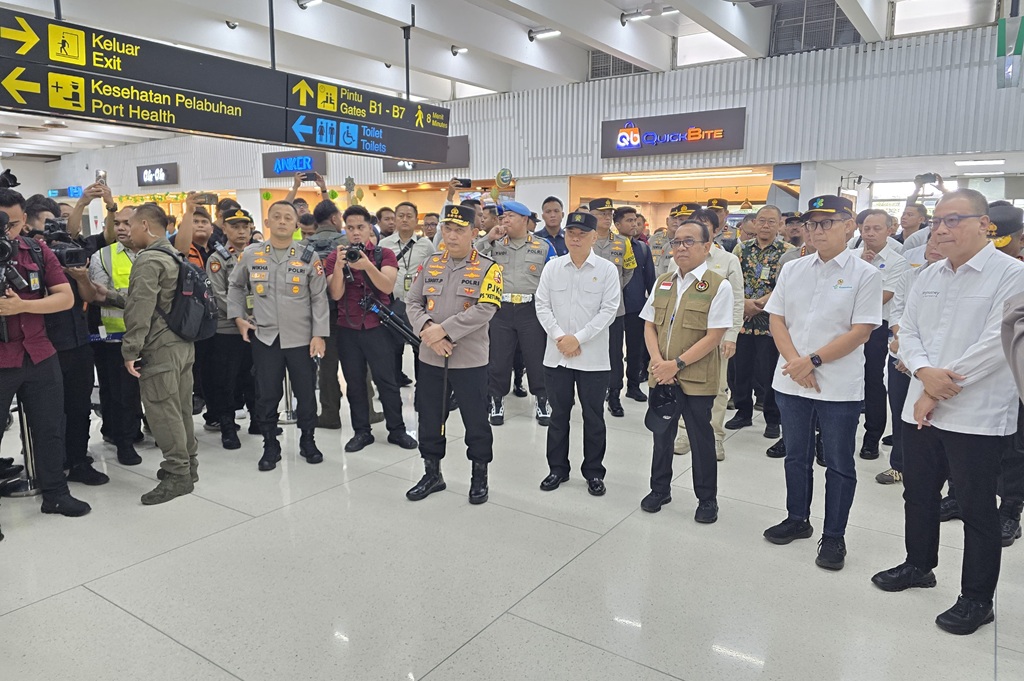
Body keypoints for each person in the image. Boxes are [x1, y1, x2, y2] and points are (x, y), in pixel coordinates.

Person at [872, 189, 1024, 635]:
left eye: (953, 219)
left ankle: (977, 599)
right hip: (920, 404)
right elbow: (909, 329)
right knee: (918, 493)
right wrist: (923, 373)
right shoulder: (930, 274)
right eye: (937, 221)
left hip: (975, 412)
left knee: (977, 507)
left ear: (984, 225)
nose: (940, 229)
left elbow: (998, 343)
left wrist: (935, 389)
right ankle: (919, 565)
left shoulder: (1011, 275)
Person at [762, 195, 881, 571]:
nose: (816, 230)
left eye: (826, 223)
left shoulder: (866, 274)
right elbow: (776, 319)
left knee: (839, 463)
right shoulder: (793, 269)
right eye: (811, 224)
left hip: (838, 386)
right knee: (796, 456)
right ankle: (797, 519)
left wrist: (811, 361)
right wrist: (797, 364)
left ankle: (834, 536)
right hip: (792, 381)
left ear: (849, 226)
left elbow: (861, 332)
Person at [0, 188, 90, 517]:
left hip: (40, 354)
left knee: (50, 428)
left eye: (12, 224)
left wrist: (22, 306)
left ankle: (55, 494)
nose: (7, 232)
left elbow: (65, 297)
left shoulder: (37, 250)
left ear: (24, 220)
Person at [405, 204, 502, 505]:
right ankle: (432, 473)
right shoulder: (430, 263)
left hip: (469, 359)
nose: (452, 235)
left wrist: (444, 331)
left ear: (474, 232)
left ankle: (479, 475)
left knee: (476, 419)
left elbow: (486, 308)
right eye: (447, 228)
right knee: (430, 417)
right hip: (431, 357)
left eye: (459, 230)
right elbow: (412, 302)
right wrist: (429, 331)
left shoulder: (489, 268)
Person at [641, 219, 734, 521]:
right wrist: (659, 362)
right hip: (661, 375)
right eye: (677, 241)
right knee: (661, 435)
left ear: (707, 247)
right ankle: (659, 489)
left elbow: (714, 336)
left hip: (696, 377)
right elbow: (649, 325)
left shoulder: (718, 285)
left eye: (689, 241)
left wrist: (676, 364)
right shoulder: (663, 281)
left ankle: (707, 499)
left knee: (700, 438)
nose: (681, 247)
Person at [228, 201, 329, 471]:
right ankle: (270, 444)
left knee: (306, 394)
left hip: (302, 338)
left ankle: (308, 440)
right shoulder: (252, 254)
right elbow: (235, 286)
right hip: (266, 337)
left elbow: (319, 297)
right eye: (277, 217)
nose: (282, 221)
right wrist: (238, 317)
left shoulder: (308, 256)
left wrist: (319, 334)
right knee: (267, 394)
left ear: (296, 224)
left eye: (288, 217)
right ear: (267, 222)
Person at [118, 203, 199, 505]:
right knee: (181, 409)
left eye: (131, 224)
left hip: (159, 347)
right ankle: (189, 465)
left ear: (145, 225)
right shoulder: (174, 256)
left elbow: (140, 307)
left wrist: (131, 349)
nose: (127, 231)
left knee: (163, 411)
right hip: (182, 344)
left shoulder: (148, 260)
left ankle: (177, 474)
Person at [534, 211, 620, 495]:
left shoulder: (606, 270)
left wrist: (578, 339)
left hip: (593, 359)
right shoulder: (553, 267)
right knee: (558, 415)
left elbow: (609, 311)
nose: (575, 238)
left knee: (593, 417)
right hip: (556, 355)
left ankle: (594, 472)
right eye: (571, 233)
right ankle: (557, 469)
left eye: (582, 234)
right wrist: (560, 337)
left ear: (594, 237)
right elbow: (541, 305)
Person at [324, 205, 418, 453]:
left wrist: (366, 266)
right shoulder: (335, 257)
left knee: (387, 381)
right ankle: (361, 431)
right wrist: (339, 268)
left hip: (379, 328)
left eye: (360, 227)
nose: (355, 232)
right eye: (350, 228)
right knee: (354, 383)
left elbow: (386, 287)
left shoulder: (383, 254)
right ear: (345, 230)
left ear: (369, 229)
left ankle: (397, 430)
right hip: (347, 329)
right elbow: (335, 294)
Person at [475, 200, 557, 427]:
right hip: (500, 310)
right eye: (503, 217)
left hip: (531, 310)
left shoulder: (543, 246)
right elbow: (470, 257)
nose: (505, 221)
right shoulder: (494, 243)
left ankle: (542, 400)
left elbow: (554, 279)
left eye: (510, 216)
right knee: (498, 359)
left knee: (536, 358)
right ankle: (496, 399)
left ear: (524, 219)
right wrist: (488, 238)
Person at [672, 209, 743, 462]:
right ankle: (684, 433)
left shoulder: (727, 260)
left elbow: (737, 300)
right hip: (684, 335)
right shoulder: (677, 258)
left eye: (703, 225)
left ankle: (715, 435)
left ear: (714, 231)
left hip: (717, 336)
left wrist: (732, 335)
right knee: (682, 384)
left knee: (717, 387)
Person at [876, 230, 943, 485]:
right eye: (931, 241)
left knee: (935, 419)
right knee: (900, 410)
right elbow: (898, 313)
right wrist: (903, 346)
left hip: (935, 362)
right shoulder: (910, 276)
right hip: (902, 354)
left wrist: (915, 357)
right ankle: (899, 465)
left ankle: (937, 473)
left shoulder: (957, 280)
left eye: (940, 242)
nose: (934, 246)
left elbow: (941, 326)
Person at [727, 206, 789, 439]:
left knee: (769, 373)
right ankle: (742, 412)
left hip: (771, 323)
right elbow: (731, 280)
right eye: (761, 220)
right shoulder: (741, 249)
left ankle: (773, 418)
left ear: (779, 224)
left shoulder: (787, 252)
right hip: (742, 319)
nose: (765, 225)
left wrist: (760, 303)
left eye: (771, 221)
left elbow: (785, 286)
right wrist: (743, 303)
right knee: (740, 370)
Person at [89, 205, 145, 465]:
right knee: (122, 394)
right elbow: (99, 295)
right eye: (117, 223)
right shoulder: (103, 256)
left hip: (153, 335)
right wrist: (138, 299)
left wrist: (120, 296)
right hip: (116, 336)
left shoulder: (155, 252)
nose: (121, 228)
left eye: (127, 222)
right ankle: (124, 442)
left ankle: (145, 429)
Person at [853, 210, 908, 460]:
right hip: (844, 325)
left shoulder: (898, 262)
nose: (870, 233)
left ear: (889, 230)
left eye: (877, 228)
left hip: (875, 328)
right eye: (866, 228)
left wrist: (864, 271)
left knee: (872, 380)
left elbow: (884, 296)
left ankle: (872, 437)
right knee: (845, 378)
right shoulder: (850, 256)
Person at [205, 208, 259, 449]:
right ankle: (227, 427)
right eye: (235, 227)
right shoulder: (217, 259)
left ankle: (258, 420)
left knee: (254, 377)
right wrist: (241, 317)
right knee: (226, 380)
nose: (241, 231)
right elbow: (219, 295)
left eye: (245, 227)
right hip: (228, 330)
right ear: (224, 228)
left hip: (257, 327)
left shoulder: (258, 255)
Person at [304, 199, 350, 429]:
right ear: (334, 218)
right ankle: (367, 412)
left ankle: (330, 414)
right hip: (349, 311)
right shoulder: (347, 244)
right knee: (358, 365)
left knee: (327, 365)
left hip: (320, 313)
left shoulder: (303, 246)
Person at [379, 201, 435, 388]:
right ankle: (394, 382)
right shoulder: (384, 244)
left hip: (418, 305)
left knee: (420, 345)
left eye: (409, 216)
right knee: (393, 346)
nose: (404, 219)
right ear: (395, 219)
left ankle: (423, 386)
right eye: (401, 215)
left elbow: (433, 271)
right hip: (392, 302)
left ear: (416, 220)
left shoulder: (426, 245)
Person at [589, 198, 636, 417]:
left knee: (615, 354)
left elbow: (628, 271)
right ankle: (592, 393)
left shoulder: (622, 242)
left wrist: (612, 291)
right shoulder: (584, 239)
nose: (607, 218)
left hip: (614, 309)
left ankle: (615, 394)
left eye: (609, 214)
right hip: (587, 308)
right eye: (602, 214)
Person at [615, 206, 656, 403]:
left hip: (636, 305)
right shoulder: (610, 246)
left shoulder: (642, 248)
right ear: (617, 224)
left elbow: (650, 278)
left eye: (635, 221)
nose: (634, 224)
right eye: (629, 220)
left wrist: (653, 304)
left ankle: (633, 386)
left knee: (635, 350)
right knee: (613, 350)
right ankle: (612, 388)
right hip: (613, 306)